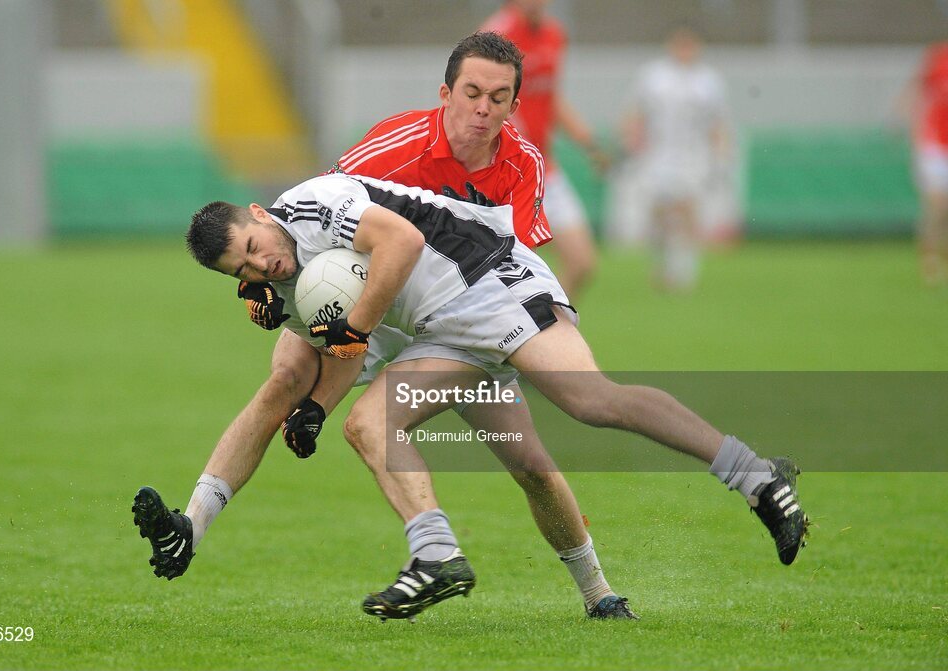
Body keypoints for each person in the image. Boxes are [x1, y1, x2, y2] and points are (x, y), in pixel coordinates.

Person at [133, 33, 638, 620]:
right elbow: (325, 221)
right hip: (376, 304)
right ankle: (190, 525)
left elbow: (510, 264)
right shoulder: (387, 150)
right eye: (471, 96)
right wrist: (270, 292)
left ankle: (598, 593)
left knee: (528, 463)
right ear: (447, 96)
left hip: (457, 316)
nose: (481, 113)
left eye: (494, 99)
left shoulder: (517, 165)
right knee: (284, 379)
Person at [177, 171, 809, 622]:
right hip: (440, 335)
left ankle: (754, 474)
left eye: (255, 251)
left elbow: (401, 247)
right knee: (380, 427)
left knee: (590, 402)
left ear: (259, 215)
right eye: (245, 272)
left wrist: (352, 336)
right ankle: (448, 559)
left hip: (487, 280)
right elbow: (347, 346)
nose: (265, 270)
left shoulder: (315, 205)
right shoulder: (280, 294)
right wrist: (316, 407)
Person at [482, 0, 607, 299]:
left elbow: (550, 98)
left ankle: (540, 329)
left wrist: (587, 142)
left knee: (581, 262)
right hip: (504, 171)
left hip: (543, 167)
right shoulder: (495, 37)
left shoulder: (553, 34)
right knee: (507, 271)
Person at [620, 23, 732, 291]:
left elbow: (718, 123)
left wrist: (721, 157)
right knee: (659, 213)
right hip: (658, 154)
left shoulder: (709, 81)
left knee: (686, 210)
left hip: (694, 156)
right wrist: (631, 143)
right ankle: (661, 265)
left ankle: (683, 272)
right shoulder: (654, 76)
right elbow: (636, 113)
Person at [905, 42, 948, 286]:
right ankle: (930, 260)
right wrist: (914, 135)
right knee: (937, 205)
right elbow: (916, 94)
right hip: (934, 145)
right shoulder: (939, 59)